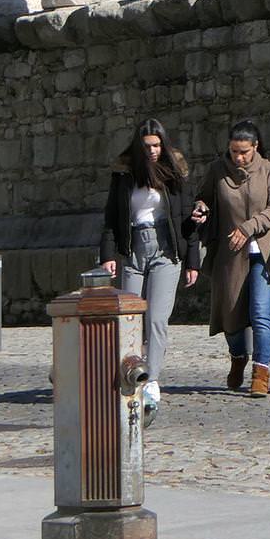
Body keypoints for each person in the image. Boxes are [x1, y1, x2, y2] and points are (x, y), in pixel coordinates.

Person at [99, 118, 201, 413]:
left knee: (157, 317)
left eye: (157, 145)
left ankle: (151, 377)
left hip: (166, 249)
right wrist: (108, 254)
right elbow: (111, 218)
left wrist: (192, 260)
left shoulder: (174, 174)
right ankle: (131, 372)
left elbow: (187, 219)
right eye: (147, 147)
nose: (153, 151)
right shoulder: (123, 176)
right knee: (130, 317)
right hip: (133, 249)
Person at [194, 120, 270, 397]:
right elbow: (204, 199)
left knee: (261, 312)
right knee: (231, 316)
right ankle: (238, 356)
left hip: (262, 252)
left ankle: (261, 373)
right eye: (234, 152)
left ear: (255, 147)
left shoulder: (269, 170)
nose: (238, 157)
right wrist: (200, 209)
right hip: (230, 255)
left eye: (244, 152)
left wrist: (248, 227)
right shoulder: (217, 170)